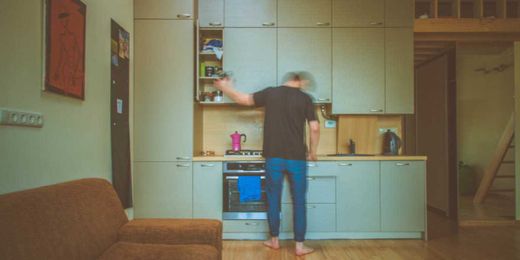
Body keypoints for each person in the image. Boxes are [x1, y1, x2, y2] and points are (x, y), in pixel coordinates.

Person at [214, 72, 320, 256]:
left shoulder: (271, 93)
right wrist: (313, 152)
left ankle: (274, 240)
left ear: (286, 80)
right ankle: (300, 246)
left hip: (274, 157)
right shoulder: (305, 98)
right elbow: (315, 127)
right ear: (300, 81)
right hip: (297, 158)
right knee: (299, 202)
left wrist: (225, 87)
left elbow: (244, 99)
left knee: (273, 198)